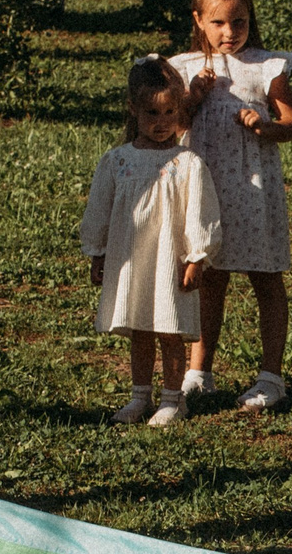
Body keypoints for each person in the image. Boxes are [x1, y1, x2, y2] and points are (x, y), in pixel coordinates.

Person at [169, 0, 292, 413]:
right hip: (203, 193)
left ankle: (271, 376)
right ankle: (198, 372)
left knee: (266, 278)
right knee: (207, 278)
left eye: (239, 21)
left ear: (250, 17)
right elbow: (170, 125)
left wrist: (266, 125)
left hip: (252, 193)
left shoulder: (267, 66)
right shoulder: (183, 70)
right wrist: (192, 99)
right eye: (218, 22)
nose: (230, 32)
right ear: (198, 20)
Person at [82, 57, 220, 427]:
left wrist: (196, 257)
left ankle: (174, 400)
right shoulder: (117, 161)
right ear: (133, 109)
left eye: (170, 112)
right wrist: (97, 252)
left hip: (169, 260)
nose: (161, 123)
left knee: (169, 327)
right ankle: (139, 395)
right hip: (132, 258)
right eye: (151, 113)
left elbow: (200, 212)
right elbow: (100, 208)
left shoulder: (187, 163)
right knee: (139, 327)